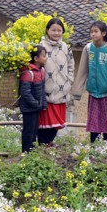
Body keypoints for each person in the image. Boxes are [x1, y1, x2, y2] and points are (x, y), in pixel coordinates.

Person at [71, 20, 107, 143]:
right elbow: (82, 69)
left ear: (103, 33)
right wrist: (78, 90)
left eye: (96, 31)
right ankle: (93, 148)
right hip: (93, 92)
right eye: (91, 32)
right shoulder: (88, 49)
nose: (93, 34)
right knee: (94, 122)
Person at [37, 17, 75, 146]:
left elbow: (71, 65)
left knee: (55, 125)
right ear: (47, 30)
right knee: (44, 124)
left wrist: (69, 81)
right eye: (53, 30)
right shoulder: (41, 47)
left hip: (61, 90)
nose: (56, 33)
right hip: (46, 91)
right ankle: (43, 146)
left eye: (59, 30)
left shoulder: (65, 47)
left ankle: (49, 145)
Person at [19, 45, 48, 153]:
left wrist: (43, 103)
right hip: (29, 108)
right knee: (28, 131)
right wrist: (36, 103)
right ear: (36, 59)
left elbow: (42, 89)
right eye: (44, 56)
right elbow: (25, 93)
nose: (46, 58)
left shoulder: (41, 71)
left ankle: (31, 152)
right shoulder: (28, 73)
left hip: (36, 107)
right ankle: (26, 152)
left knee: (34, 130)